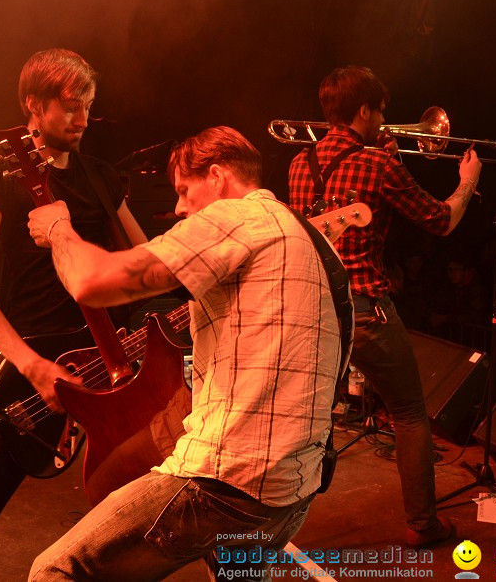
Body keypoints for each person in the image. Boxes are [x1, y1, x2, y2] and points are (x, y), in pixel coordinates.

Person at [27, 126, 342, 581]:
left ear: (216, 177)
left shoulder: (236, 217)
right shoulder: (312, 239)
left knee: (57, 569)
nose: (178, 207)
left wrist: (59, 229)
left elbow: (90, 282)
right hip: (293, 489)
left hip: (228, 481)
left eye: (183, 190)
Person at [0, 49, 148, 581]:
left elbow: (150, 263)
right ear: (32, 108)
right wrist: (31, 366)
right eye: (69, 106)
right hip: (35, 371)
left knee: (155, 509)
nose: (83, 118)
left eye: (88, 104)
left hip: (109, 367)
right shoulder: (1, 175)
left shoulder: (105, 179)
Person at [288, 65, 481, 548]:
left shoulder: (297, 164)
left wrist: (384, 153)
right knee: (411, 413)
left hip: (312, 308)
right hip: (364, 305)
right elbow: (439, 220)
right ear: (363, 110)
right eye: (381, 112)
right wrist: (467, 183)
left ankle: (266, 522)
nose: (385, 120)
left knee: (303, 413)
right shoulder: (379, 165)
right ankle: (423, 524)